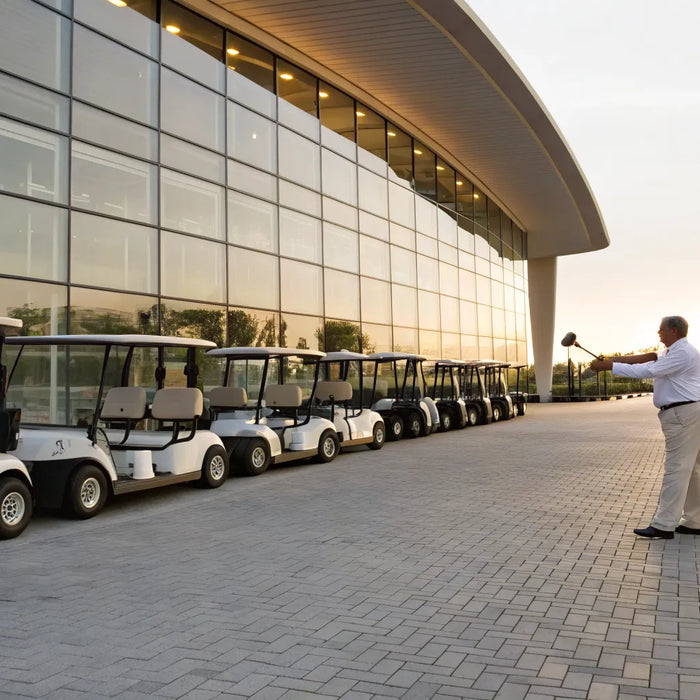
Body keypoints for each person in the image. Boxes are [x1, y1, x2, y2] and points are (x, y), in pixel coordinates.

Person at [590, 316, 700, 539]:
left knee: (677, 468)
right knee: (693, 470)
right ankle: (694, 521)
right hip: (688, 413)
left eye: (661, 330)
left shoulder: (681, 353)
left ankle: (664, 524)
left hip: (683, 414)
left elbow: (647, 370)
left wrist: (609, 366)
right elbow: (647, 358)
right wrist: (612, 358)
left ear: (675, 331)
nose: (658, 333)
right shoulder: (673, 351)